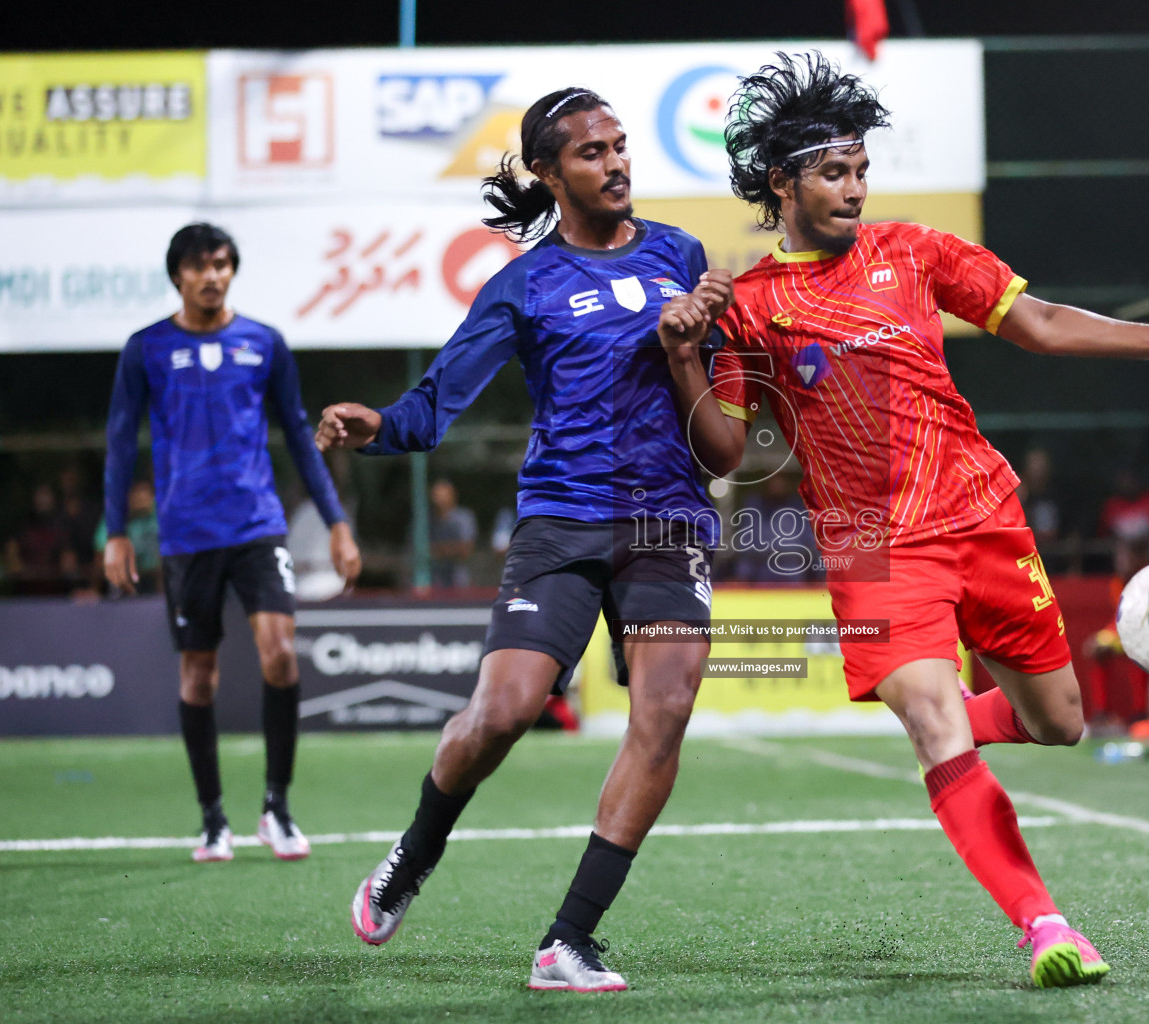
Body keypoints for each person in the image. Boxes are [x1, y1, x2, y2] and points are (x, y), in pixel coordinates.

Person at [657, 52, 1149, 989]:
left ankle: (950, 739)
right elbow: (725, 454)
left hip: (982, 514)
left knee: (1061, 722)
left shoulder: (916, 252)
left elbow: (1043, 324)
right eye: (834, 172)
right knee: (936, 723)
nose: (856, 188)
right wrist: (685, 359)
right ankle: (1045, 926)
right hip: (870, 548)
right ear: (782, 182)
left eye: (863, 169)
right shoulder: (747, 306)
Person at [316, 87, 732, 994]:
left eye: (621, 146)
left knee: (664, 712)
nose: (616, 162)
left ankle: (568, 941)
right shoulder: (524, 285)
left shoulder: (681, 256)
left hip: (667, 522)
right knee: (502, 713)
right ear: (549, 174)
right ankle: (415, 851)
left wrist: (690, 349)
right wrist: (373, 423)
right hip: (562, 519)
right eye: (591, 153)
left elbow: (720, 427)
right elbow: (430, 411)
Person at [103, 222, 362, 863]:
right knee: (199, 674)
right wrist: (114, 533)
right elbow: (118, 442)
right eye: (198, 266)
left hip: (257, 525)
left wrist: (336, 521)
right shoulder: (146, 349)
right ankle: (213, 818)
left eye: (221, 263)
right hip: (187, 535)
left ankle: (276, 808)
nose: (211, 275)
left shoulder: (264, 343)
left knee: (279, 653)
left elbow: (301, 436)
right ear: (178, 276)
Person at [94, 479, 162, 595]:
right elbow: (100, 552)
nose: (140, 501)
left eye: (145, 497)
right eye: (135, 497)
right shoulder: (115, 516)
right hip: (123, 577)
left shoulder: (160, 513)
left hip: (156, 577)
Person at [428, 478, 478, 588]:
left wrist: (436, 550)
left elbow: (465, 550)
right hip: (432, 582)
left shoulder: (464, 518)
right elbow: (417, 550)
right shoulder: (425, 521)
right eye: (436, 495)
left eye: (443, 495)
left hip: (459, 582)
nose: (438, 499)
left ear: (453, 495)